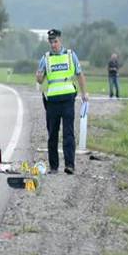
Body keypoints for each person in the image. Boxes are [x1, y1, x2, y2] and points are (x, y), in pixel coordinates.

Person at [35, 29, 89, 175]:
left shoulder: (71, 55)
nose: (53, 44)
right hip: (52, 101)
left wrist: (84, 93)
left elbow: (79, 74)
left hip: (68, 100)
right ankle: (53, 167)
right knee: (52, 134)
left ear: (60, 40)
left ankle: (69, 165)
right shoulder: (45, 58)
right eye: (51, 42)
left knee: (68, 133)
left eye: (55, 41)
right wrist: (38, 77)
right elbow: (40, 79)